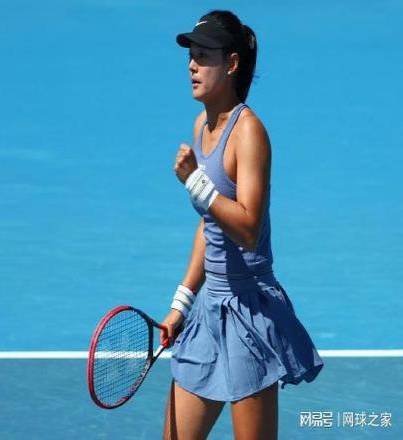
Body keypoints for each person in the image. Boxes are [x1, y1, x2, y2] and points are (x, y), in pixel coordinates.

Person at [159, 10, 324, 440]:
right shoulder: (201, 125)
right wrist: (181, 302)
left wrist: (197, 183)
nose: (192, 66)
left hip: (249, 313)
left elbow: (248, 228)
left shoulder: (249, 133)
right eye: (191, 55)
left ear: (231, 63)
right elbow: (210, 223)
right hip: (208, 310)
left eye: (203, 56)